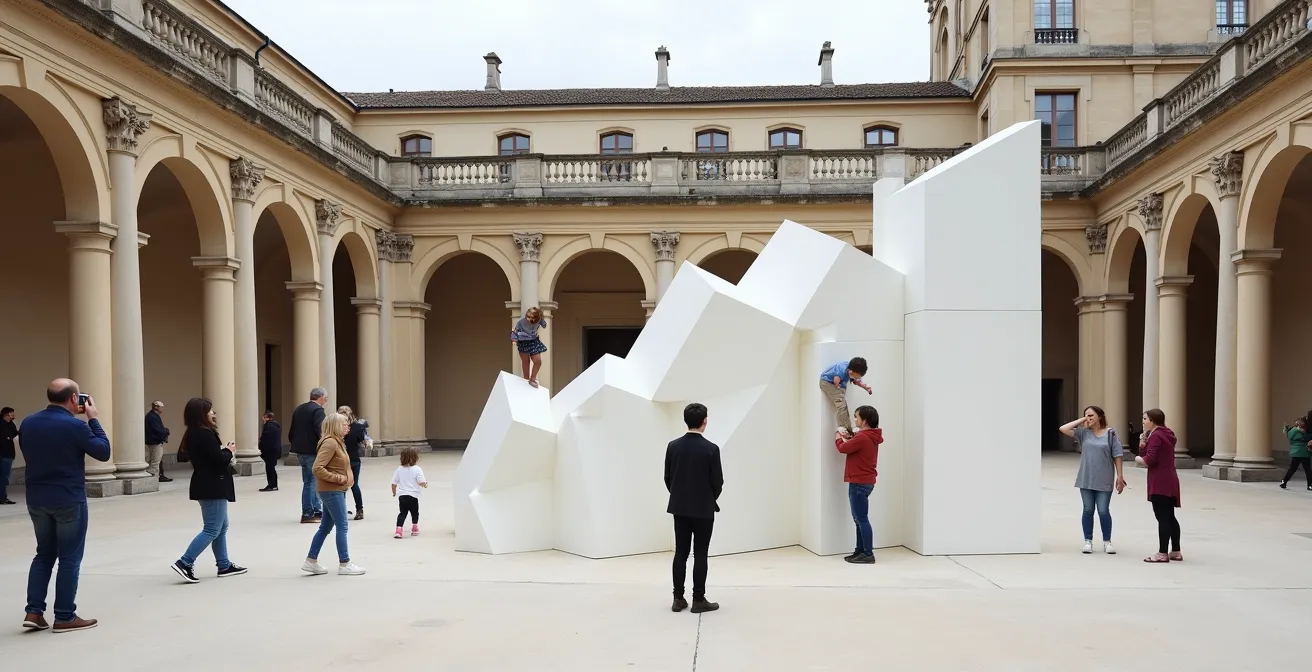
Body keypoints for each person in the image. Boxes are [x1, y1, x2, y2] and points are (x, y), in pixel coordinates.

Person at [19, 378, 111, 633]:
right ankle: (64, 616)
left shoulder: (28, 422)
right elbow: (103, 452)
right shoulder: (75, 426)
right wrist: (93, 419)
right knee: (69, 558)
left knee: (44, 554)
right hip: (68, 498)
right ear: (74, 399)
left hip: (37, 498)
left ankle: (34, 612)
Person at [170, 398, 246, 583]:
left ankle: (224, 564)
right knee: (212, 528)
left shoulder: (197, 433)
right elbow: (217, 459)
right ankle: (185, 562)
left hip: (209, 484)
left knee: (221, 526)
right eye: (210, 411)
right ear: (201, 414)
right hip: (212, 485)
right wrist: (229, 450)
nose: (214, 414)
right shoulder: (202, 434)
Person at [663, 402, 723, 614]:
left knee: (680, 552)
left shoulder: (673, 446)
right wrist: (707, 498)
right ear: (705, 421)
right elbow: (718, 482)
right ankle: (698, 599)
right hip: (704, 509)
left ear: (685, 420)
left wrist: (680, 496)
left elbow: (668, 478)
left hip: (680, 508)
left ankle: (678, 599)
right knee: (700, 553)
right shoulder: (711, 449)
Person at [301, 412, 365, 576]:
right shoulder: (330, 443)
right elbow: (317, 468)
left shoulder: (337, 442)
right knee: (342, 526)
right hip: (332, 490)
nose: (348, 426)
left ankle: (311, 560)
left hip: (336, 489)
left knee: (326, 527)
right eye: (345, 423)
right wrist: (339, 478)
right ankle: (344, 563)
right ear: (336, 426)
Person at [1059, 405, 1127, 554]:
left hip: (1104, 478)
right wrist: (1082, 419)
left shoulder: (1111, 434)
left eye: (1091, 415)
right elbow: (1063, 428)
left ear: (1100, 416)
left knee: (1103, 510)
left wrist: (1120, 477)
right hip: (1086, 477)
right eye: (1086, 416)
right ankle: (1087, 541)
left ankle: (1107, 541)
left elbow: (1117, 455)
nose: (1088, 418)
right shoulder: (1083, 433)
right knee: (1088, 510)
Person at [834, 405, 883, 564]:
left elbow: (843, 448)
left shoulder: (862, 437)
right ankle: (860, 551)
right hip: (864, 481)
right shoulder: (869, 436)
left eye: (856, 417)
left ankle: (868, 554)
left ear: (865, 421)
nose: (855, 420)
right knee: (859, 519)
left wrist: (837, 436)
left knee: (861, 519)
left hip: (859, 482)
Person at [1136, 408, 1182, 563]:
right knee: (1170, 516)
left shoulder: (1156, 436)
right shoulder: (1167, 433)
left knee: (1162, 517)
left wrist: (1138, 458)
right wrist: (1143, 445)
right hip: (1170, 478)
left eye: (1145, 419)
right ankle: (1175, 550)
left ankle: (1162, 553)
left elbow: (1150, 459)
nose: (1143, 422)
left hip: (1159, 481)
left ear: (1152, 420)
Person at [289, 388, 328, 523]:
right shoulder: (318, 411)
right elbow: (321, 431)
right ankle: (308, 512)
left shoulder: (299, 409)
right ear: (321, 397)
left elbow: (292, 430)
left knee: (310, 481)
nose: (326, 401)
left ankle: (316, 510)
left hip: (300, 451)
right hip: (312, 451)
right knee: (311, 482)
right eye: (325, 398)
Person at [819, 358, 872, 438]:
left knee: (844, 406)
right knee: (841, 405)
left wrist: (866, 387)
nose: (856, 378)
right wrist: (839, 389)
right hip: (827, 382)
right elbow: (836, 382)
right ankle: (842, 428)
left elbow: (857, 381)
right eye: (856, 376)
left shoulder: (851, 369)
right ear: (851, 372)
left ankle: (849, 430)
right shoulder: (840, 370)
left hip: (837, 383)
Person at [391, 446, 428, 538]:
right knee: (415, 512)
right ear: (416, 457)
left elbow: (394, 483)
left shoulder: (399, 469)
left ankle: (398, 530)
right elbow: (421, 482)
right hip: (413, 496)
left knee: (402, 513)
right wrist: (425, 484)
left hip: (402, 496)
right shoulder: (417, 469)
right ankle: (414, 527)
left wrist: (394, 492)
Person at [340, 406, 368, 520]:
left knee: (341, 486)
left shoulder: (336, 427)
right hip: (353, 459)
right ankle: (359, 510)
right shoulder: (358, 427)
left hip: (341, 460)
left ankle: (341, 510)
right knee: (354, 485)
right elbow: (365, 441)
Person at [511, 306, 548, 388]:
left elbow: (544, 324)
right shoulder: (521, 322)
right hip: (523, 342)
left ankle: (533, 378)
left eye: (530, 317)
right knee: (525, 361)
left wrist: (542, 321)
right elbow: (515, 331)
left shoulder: (538, 321)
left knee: (537, 361)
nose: (528, 319)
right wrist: (514, 339)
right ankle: (526, 379)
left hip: (533, 341)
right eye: (527, 316)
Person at [1279, 414, 1312, 490]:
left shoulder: (1294, 431)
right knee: (1305, 469)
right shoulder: (1297, 431)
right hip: (1301, 452)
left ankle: (1284, 481)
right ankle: (1309, 485)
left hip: (1301, 452)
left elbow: (1290, 437)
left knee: (1295, 469)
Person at [144, 401, 172, 483]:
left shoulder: (152, 416)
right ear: (157, 407)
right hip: (155, 442)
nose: (162, 409)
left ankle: (155, 477)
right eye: (161, 407)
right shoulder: (152, 417)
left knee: (153, 461)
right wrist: (166, 432)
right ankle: (154, 479)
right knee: (155, 462)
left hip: (152, 441)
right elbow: (157, 429)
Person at [258, 412, 281, 492]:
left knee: (270, 468)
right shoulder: (276, 426)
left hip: (270, 451)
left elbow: (265, 439)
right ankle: (273, 485)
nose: (263, 419)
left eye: (264, 418)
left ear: (267, 418)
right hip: (275, 450)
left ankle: (272, 485)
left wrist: (261, 447)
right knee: (272, 468)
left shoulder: (268, 426)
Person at [1, 406, 18, 505]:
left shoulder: (11, 424)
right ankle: (2, 498)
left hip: (9, 454)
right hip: (3, 454)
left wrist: (9, 437)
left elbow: (14, 434)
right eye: (11, 413)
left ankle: (3, 497)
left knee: (4, 477)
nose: (13, 415)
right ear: (6, 415)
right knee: (3, 477)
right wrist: (7, 438)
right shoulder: (1, 425)